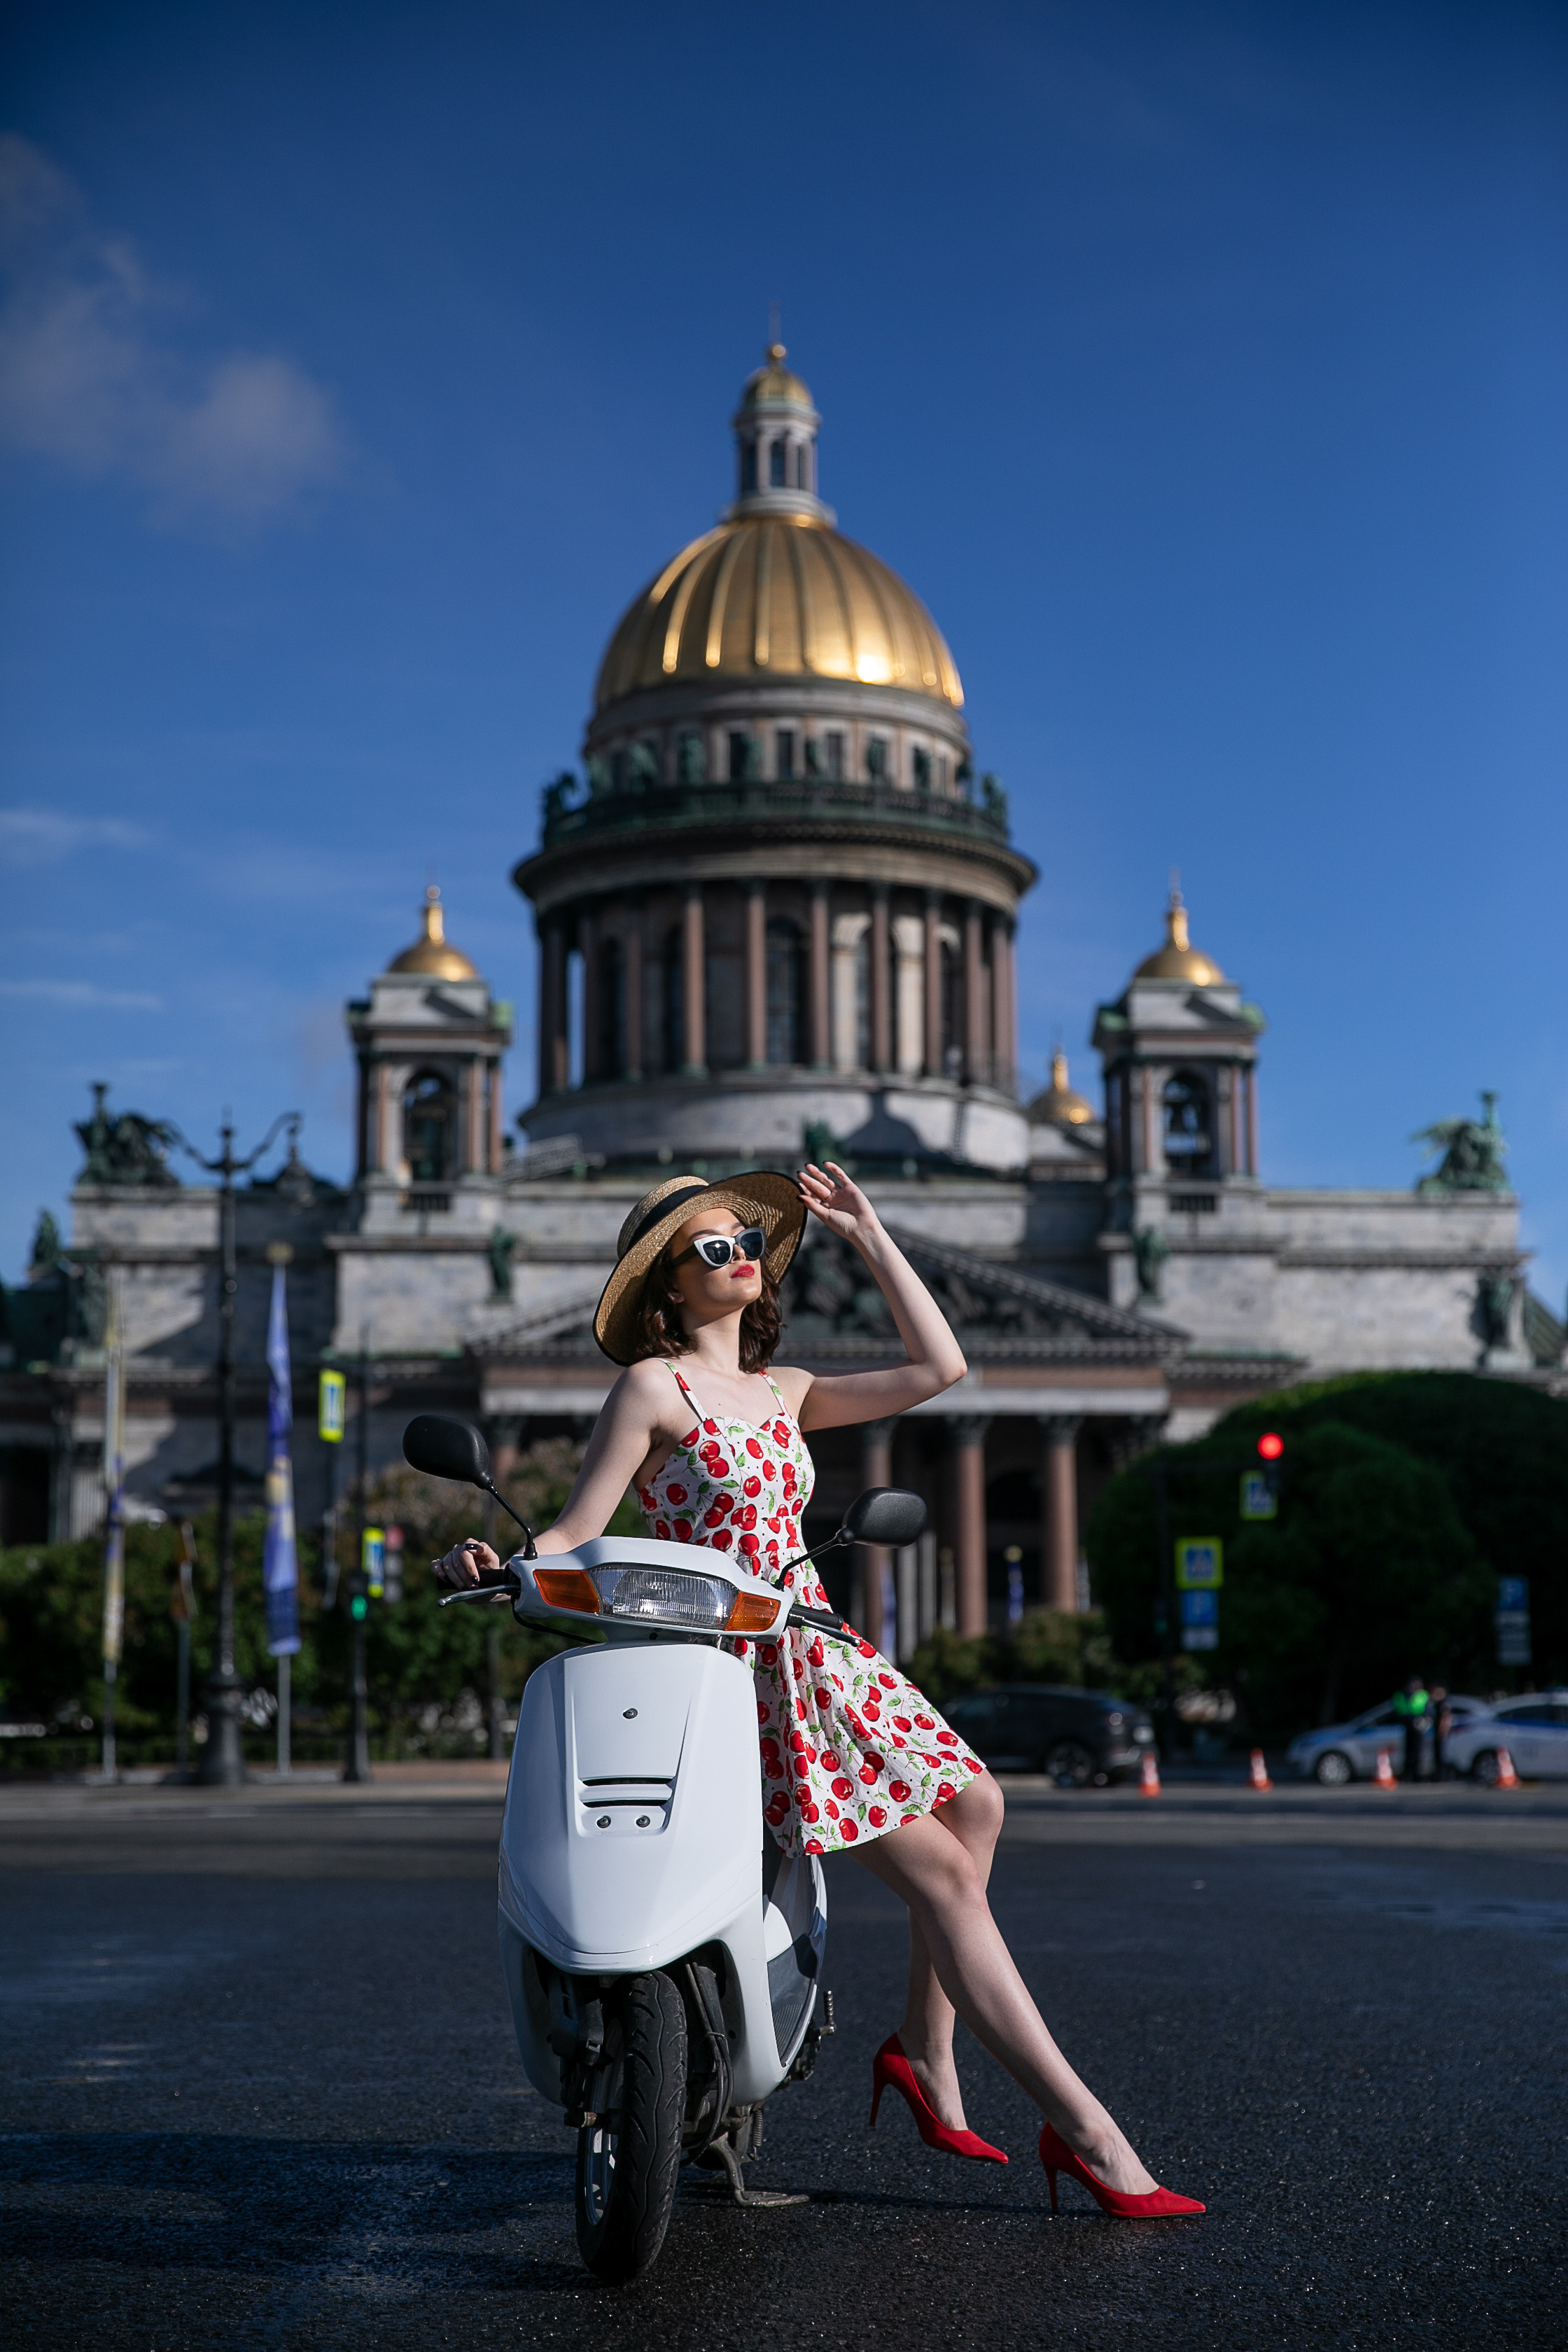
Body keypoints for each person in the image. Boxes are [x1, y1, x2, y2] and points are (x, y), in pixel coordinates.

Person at [435, 1163, 1203, 2219]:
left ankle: (925, 2050)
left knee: (982, 1806)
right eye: (715, 1247)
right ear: (667, 1283)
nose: (742, 1256)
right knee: (943, 1879)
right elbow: (575, 1531)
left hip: (822, 1645)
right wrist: (498, 1562)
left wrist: (875, 1236)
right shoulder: (655, 1387)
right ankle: (1091, 2137)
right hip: (734, 1664)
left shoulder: (784, 1390)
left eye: (748, 1243)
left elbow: (943, 1364)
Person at [1393, 1676, 1430, 1783]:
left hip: (1419, 1725)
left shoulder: (1423, 1695)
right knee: (1408, 1751)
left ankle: (1416, 1775)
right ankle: (1408, 1774)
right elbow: (1398, 1710)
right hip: (1407, 1724)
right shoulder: (1402, 1695)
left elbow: (1428, 1711)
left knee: (1417, 1751)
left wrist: (1424, 1720)